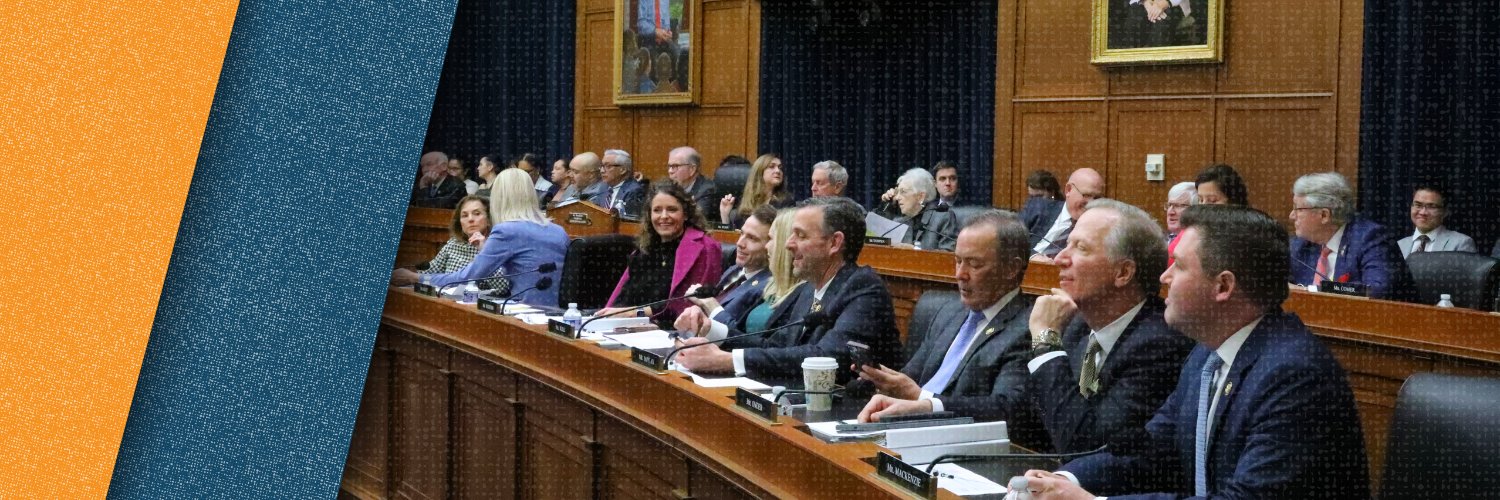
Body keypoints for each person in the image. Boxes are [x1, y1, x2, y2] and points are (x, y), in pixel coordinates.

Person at [1022, 205, 1369, 499]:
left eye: (1180, 265)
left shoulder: (1295, 375)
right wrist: (1065, 482)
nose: (1164, 276)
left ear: (1223, 286)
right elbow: (1148, 452)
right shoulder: (1206, 356)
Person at [854, 210, 1046, 448]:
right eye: (958, 260)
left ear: (1011, 269)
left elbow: (1007, 409)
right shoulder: (948, 312)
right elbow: (909, 378)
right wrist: (881, 379)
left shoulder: (1028, 328)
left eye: (974, 264)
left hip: (960, 449)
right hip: (905, 435)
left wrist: (925, 401)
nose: (959, 274)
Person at [1023, 199, 1195, 453]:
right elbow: (1027, 416)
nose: (1060, 258)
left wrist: (1046, 342)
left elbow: (1084, 444)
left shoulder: (1161, 346)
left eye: (1080, 248)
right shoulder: (1077, 324)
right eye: (1066, 244)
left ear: (1123, 273)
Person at [673, 197, 903, 384]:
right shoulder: (809, 289)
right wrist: (712, 330)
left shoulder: (863, 287)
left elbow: (829, 357)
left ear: (834, 243)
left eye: (801, 236)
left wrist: (727, 361)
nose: (788, 244)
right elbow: (775, 347)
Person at [391, 170, 569, 306]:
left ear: (500, 197)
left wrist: (415, 278)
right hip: (559, 312)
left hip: (526, 317)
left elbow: (468, 277)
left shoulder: (506, 230)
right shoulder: (558, 231)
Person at [601, 181, 724, 322]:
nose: (663, 216)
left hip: (673, 330)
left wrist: (633, 313)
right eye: (657, 210)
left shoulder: (705, 248)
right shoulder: (645, 249)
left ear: (685, 214)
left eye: (672, 209)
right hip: (628, 326)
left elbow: (689, 304)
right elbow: (622, 298)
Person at [1288, 172, 1414, 301]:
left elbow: (1376, 290)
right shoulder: (1301, 245)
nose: (1291, 216)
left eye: (1298, 209)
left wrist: (1308, 291)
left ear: (1324, 215)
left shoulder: (1371, 238)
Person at [685, 205, 782, 330]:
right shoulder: (736, 269)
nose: (740, 243)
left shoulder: (769, 286)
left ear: (772, 245)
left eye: (752, 238)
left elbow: (739, 336)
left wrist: (708, 303)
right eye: (742, 233)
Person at [393, 195, 493, 287]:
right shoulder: (454, 244)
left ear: (488, 219)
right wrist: (407, 276)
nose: (470, 219)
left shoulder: (496, 245)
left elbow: (501, 287)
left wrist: (484, 251)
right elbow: (429, 274)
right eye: (464, 215)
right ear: (460, 222)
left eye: (477, 214)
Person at [1028, 168, 1106, 261]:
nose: (1091, 202)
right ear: (1068, 190)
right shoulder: (1039, 209)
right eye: (1086, 195)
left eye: (1097, 198)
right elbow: (1010, 241)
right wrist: (1033, 256)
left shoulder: (1099, 228)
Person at [877, 168, 959, 251]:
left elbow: (948, 255)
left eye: (903, 192)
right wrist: (886, 205)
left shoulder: (944, 217)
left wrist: (915, 250)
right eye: (897, 192)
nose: (897, 197)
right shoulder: (899, 222)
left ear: (920, 196)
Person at [1398, 184, 1477, 258]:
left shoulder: (1461, 243)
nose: (1423, 212)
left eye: (1431, 206)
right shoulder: (1400, 245)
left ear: (1445, 211)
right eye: (1418, 205)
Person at [720, 153, 793, 227]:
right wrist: (725, 216)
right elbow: (735, 235)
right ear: (759, 172)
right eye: (771, 166)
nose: (778, 171)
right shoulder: (746, 203)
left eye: (780, 168)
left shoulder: (786, 201)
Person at [666, 146, 718, 222]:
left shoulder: (707, 191)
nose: (670, 171)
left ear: (692, 169)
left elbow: (696, 220)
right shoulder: (668, 186)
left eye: (675, 166)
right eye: (669, 166)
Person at [592, 149, 647, 217]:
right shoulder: (603, 187)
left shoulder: (634, 191)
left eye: (608, 166)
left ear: (623, 170)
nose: (602, 171)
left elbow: (631, 221)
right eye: (602, 166)